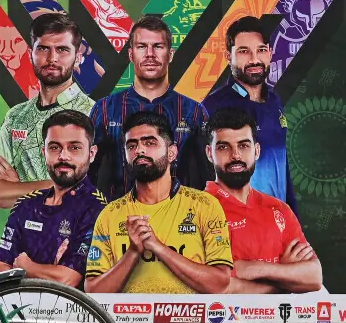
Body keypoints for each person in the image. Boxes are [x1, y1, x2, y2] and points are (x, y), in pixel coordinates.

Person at [84, 111, 233, 294]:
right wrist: (132, 252)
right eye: (132, 145)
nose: (139, 150)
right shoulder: (110, 214)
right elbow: (93, 293)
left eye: (149, 142)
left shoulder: (205, 205)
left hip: (189, 321)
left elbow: (220, 284)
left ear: (172, 152)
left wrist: (158, 247)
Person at [0, 12, 96, 209]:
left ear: (78, 58)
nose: (52, 58)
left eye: (62, 50)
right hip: (23, 237)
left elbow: (90, 193)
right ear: (31, 53)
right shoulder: (16, 117)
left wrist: (17, 188)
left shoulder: (95, 114)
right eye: (43, 48)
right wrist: (55, 188)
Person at [88, 15, 211, 202]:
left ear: (170, 54)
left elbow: (206, 178)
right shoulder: (104, 109)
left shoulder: (194, 112)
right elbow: (88, 174)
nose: (150, 54)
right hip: (116, 220)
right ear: (131, 54)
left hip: (179, 221)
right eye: (142, 46)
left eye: (158, 46)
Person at [204, 107, 322, 293]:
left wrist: (254, 269)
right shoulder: (196, 209)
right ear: (210, 154)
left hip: (280, 322)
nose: (235, 155)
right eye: (223, 147)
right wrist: (284, 277)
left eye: (244, 146)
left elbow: (314, 277)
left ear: (257, 151)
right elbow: (212, 285)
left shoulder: (279, 209)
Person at [0, 110, 107, 288]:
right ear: (44, 152)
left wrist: (25, 266)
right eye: (55, 147)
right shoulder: (26, 204)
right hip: (17, 312)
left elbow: (67, 280)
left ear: (92, 153)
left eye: (74, 147)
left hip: (67, 314)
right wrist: (48, 271)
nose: (63, 156)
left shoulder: (98, 210)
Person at [202, 16, 298, 215]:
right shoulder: (210, 108)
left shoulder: (275, 102)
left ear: (270, 53)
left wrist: (293, 217)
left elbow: (282, 166)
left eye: (261, 50)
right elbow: (200, 178)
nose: (254, 59)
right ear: (228, 56)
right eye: (244, 51)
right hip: (233, 227)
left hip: (278, 224)